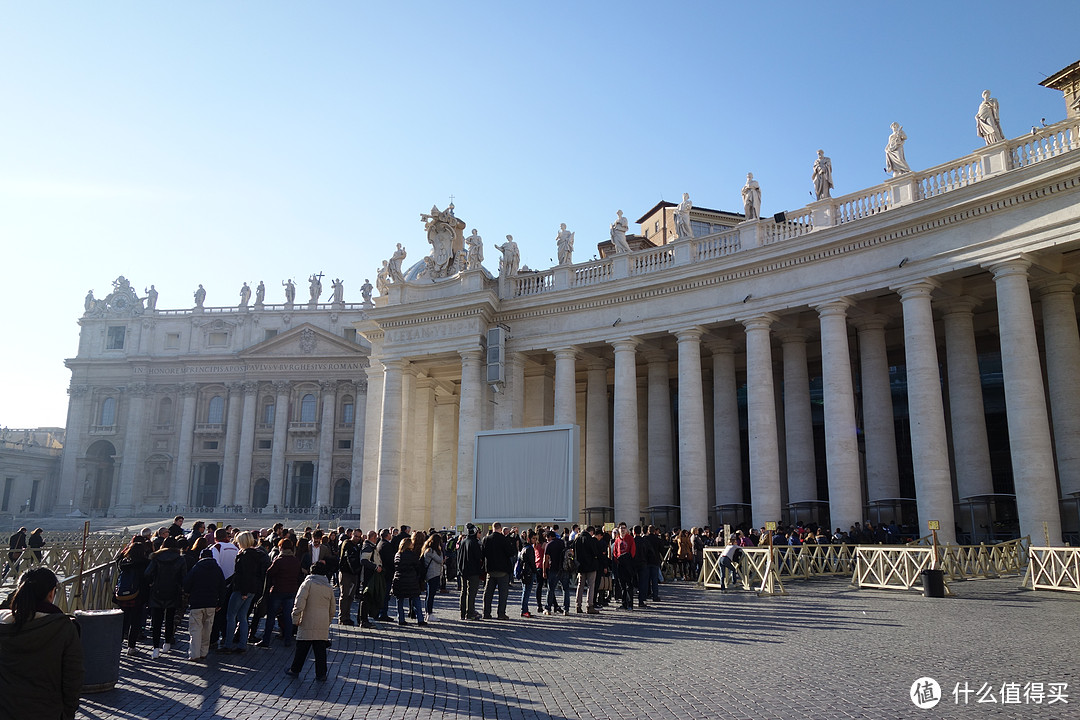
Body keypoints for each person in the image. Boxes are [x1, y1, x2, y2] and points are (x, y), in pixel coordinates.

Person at [0, 567, 83, 720]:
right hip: (48, 711)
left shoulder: (4, 623)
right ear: (51, 593)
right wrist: (68, 712)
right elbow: (73, 677)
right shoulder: (64, 627)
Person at [285, 561, 335, 681]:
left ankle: (295, 669)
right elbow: (332, 608)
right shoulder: (328, 587)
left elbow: (299, 602)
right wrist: (328, 621)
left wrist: (295, 618)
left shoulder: (307, 583)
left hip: (307, 619)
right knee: (320, 650)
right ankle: (321, 674)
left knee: (302, 647)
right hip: (322, 621)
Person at [223, 530, 268, 653]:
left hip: (242, 589)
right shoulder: (258, 554)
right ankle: (242, 644)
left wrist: (243, 591)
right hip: (252, 589)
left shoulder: (244, 555)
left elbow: (244, 574)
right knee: (243, 617)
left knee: (231, 616)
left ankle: (228, 644)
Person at [144, 535, 186, 658]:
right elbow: (184, 577)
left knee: (157, 621)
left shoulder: (156, 557)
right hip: (173, 591)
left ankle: (155, 648)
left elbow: (147, 573)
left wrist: (152, 582)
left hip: (157, 591)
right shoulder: (180, 559)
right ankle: (167, 643)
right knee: (169, 619)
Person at [183, 547, 226, 661]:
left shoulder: (196, 568)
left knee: (196, 629)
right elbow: (222, 587)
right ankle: (203, 652)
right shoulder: (217, 569)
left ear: (200, 557)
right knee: (207, 628)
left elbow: (186, 585)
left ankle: (194, 654)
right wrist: (220, 602)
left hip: (197, 603)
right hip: (212, 603)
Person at [258, 537, 302, 648]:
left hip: (278, 591)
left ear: (281, 547)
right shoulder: (295, 560)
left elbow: (269, 573)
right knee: (287, 616)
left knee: (271, 616)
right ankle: (288, 640)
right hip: (291, 591)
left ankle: (266, 640)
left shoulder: (279, 560)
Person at [113, 534, 153, 655]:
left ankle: (118, 645)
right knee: (135, 621)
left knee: (123, 620)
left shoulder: (124, 563)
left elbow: (117, 559)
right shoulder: (145, 563)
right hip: (138, 595)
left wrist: (126, 548)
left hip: (123, 595)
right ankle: (131, 646)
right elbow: (148, 578)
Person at [480, 522, 514, 620]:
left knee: (488, 594)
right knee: (503, 594)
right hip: (503, 571)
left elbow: (483, 554)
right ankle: (501, 613)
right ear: (500, 528)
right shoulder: (504, 539)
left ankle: (486, 613)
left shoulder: (486, 539)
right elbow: (511, 553)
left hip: (490, 570)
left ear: (493, 528)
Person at [391, 537, 426, 626]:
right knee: (416, 599)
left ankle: (401, 619)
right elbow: (418, 566)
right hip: (411, 580)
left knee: (400, 600)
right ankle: (420, 619)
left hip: (399, 579)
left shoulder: (397, 554)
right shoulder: (412, 555)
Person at [457, 524, 483, 620]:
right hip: (473, 571)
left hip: (463, 570)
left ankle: (463, 612)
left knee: (464, 591)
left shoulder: (463, 541)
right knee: (471, 592)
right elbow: (478, 557)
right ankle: (470, 612)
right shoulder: (474, 543)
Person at [573, 525, 600, 614]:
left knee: (580, 585)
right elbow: (595, 552)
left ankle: (578, 605)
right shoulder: (591, 540)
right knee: (591, 585)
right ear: (591, 532)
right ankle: (589, 605)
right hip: (591, 566)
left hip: (580, 566)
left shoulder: (577, 540)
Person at [542, 530, 570, 616]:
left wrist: (544, 571)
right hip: (564, 568)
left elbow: (545, 559)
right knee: (566, 589)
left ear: (549, 537)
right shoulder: (562, 543)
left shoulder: (549, 545)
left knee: (551, 589)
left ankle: (548, 608)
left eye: (547, 538)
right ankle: (566, 609)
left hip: (553, 569)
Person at [420, 533, 444, 619]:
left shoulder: (428, 550)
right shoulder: (431, 551)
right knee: (430, 595)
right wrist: (440, 552)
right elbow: (440, 560)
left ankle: (428, 612)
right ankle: (429, 613)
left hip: (433, 574)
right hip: (433, 574)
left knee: (429, 595)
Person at [516, 530, 537, 617]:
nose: (535, 540)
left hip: (524, 572)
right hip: (528, 572)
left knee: (525, 591)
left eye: (536, 538)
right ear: (529, 539)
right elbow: (532, 562)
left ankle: (524, 609)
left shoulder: (524, 548)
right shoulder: (529, 549)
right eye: (533, 538)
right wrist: (535, 571)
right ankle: (524, 610)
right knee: (526, 592)